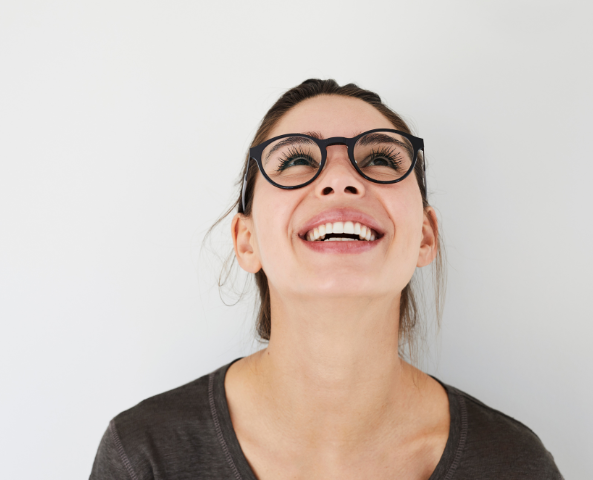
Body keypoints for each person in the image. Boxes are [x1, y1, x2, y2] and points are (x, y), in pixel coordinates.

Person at [89, 79, 563, 479]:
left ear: (424, 236)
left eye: (380, 158)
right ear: (247, 240)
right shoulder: (145, 455)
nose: (340, 180)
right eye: (297, 161)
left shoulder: (515, 464)